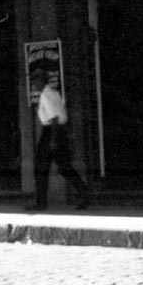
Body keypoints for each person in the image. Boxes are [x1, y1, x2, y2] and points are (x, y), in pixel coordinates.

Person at [29, 69, 89, 211]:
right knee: (64, 167)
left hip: (51, 131)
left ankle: (41, 203)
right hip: (59, 131)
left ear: (41, 80)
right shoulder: (54, 93)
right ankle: (84, 193)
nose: (34, 84)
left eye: (35, 80)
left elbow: (54, 118)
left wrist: (52, 140)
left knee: (40, 168)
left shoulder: (45, 96)